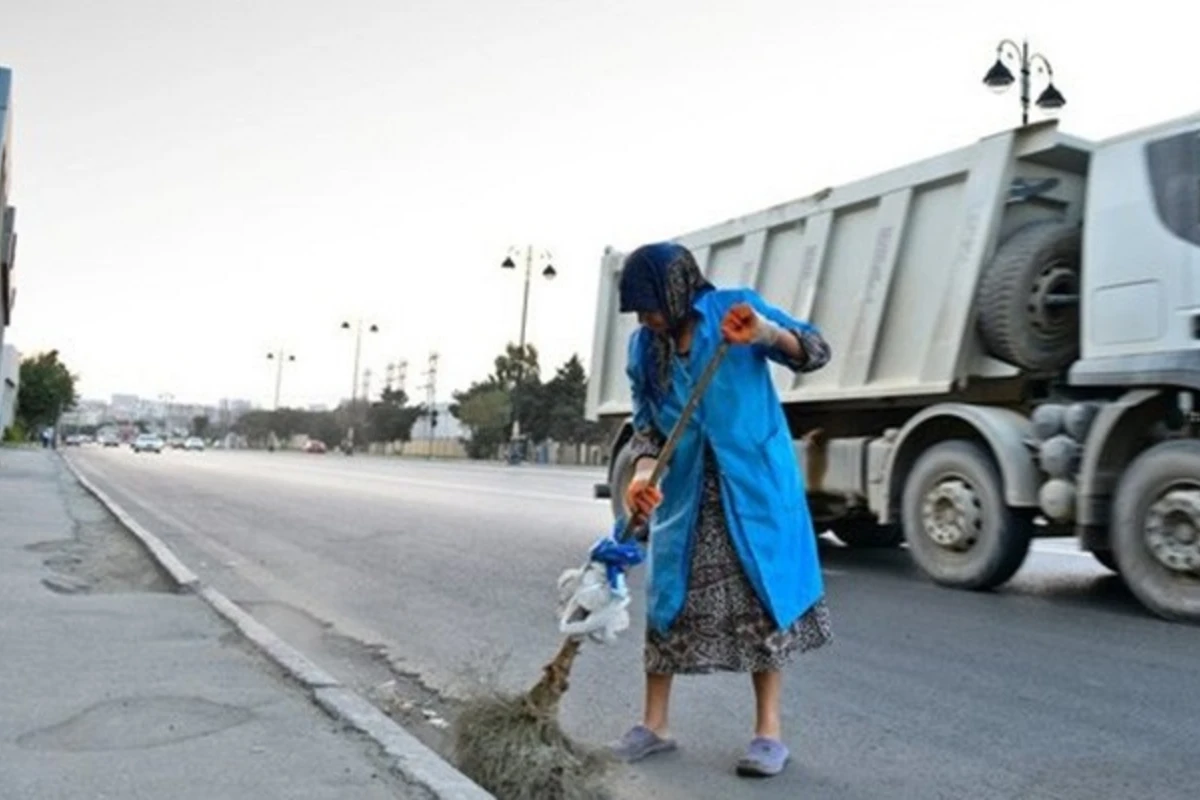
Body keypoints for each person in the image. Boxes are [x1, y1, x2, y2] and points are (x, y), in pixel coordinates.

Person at [608, 241, 833, 778]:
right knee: (668, 606)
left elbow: (816, 350)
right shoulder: (645, 348)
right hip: (686, 494)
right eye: (639, 311)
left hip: (752, 488)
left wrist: (766, 333)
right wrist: (642, 474)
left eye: (651, 305)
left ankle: (768, 734)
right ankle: (655, 725)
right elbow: (646, 426)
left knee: (761, 607)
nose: (645, 318)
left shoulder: (735, 308)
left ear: (679, 289)